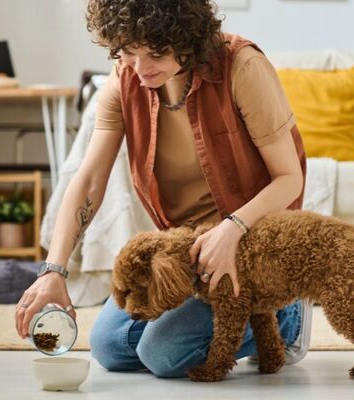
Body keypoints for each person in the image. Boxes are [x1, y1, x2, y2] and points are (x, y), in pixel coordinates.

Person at [16, 0, 311, 378]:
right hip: (187, 254)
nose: (140, 69)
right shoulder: (125, 77)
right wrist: (53, 271)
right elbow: (89, 178)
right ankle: (210, 322)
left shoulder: (242, 66)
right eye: (127, 53)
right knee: (110, 346)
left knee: (162, 354)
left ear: (187, 38)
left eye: (155, 53)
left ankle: (287, 318)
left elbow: (289, 178)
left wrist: (232, 229)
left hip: (254, 247)